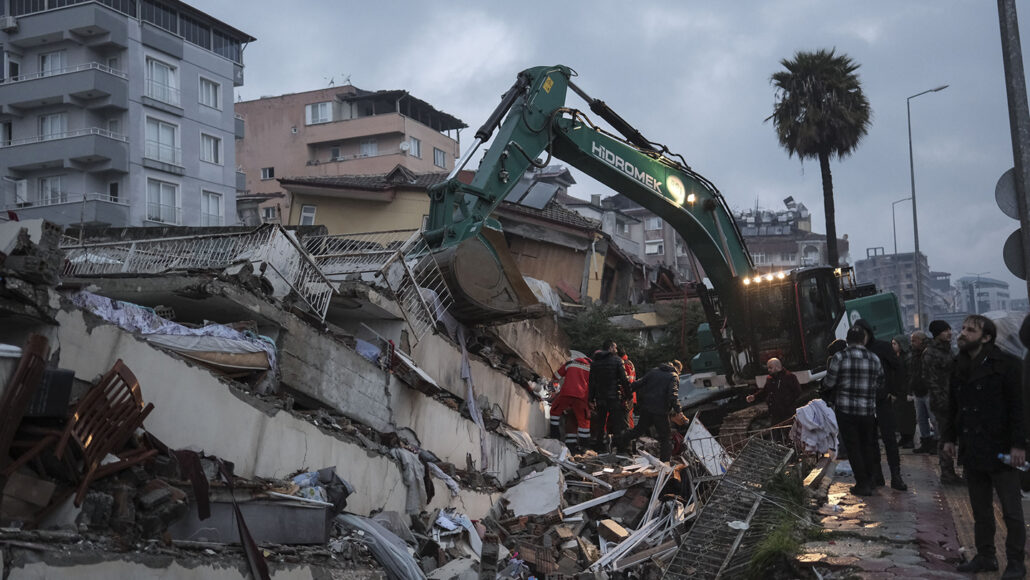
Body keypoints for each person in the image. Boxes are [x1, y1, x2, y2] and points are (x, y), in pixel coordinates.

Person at [943, 315, 1025, 578]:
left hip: (1002, 449)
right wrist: (949, 438)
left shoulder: (1008, 365)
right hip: (973, 448)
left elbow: (1019, 409)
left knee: (1011, 510)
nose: (962, 333)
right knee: (980, 509)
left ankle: (1015, 562)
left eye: (970, 330)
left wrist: (1018, 446)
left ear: (986, 337)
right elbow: (952, 405)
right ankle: (986, 556)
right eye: (963, 328)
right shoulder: (958, 365)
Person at [823, 326, 884, 496]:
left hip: (846, 410)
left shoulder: (840, 357)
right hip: (868, 411)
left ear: (848, 340)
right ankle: (872, 480)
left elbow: (829, 382)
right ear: (864, 340)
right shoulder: (874, 358)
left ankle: (862, 484)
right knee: (868, 445)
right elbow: (880, 382)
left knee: (853, 447)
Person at [852, 319, 906, 491]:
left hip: (883, 400)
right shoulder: (855, 351)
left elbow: (897, 368)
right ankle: (877, 476)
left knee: (889, 439)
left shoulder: (882, 347)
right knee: (870, 440)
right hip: (864, 403)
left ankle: (896, 476)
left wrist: (894, 391)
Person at [621, 360, 685, 461]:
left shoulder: (654, 371)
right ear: (678, 369)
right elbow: (673, 395)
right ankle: (665, 463)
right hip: (661, 411)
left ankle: (619, 443)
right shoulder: (673, 376)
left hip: (647, 408)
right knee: (665, 438)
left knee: (638, 431)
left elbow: (637, 384)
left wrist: (624, 396)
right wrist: (679, 411)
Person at [925, 319, 961, 485]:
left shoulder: (949, 350)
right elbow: (931, 381)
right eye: (945, 330)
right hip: (942, 402)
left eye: (949, 329)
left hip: (953, 399)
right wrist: (941, 401)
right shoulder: (931, 353)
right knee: (945, 437)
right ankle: (947, 473)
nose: (950, 333)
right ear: (937, 333)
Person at [588, 339, 631, 453]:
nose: (616, 350)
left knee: (600, 424)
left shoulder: (595, 362)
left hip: (600, 398)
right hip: (614, 398)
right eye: (615, 347)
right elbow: (624, 380)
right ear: (611, 348)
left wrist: (591, 399)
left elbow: (592, 382)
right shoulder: (617, 360)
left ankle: (600, 449)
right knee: (618, 424)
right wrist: (628, 395)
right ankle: (620, 450)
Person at [746, 358, 801, 438]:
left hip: (787, 412)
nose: (768, 370)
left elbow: (797, 392)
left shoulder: (790, 377)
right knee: (776, 435)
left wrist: (787, 402)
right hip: (775, 413)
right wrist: (754, 396)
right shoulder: (770, 378)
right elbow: (765, 391)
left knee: (790, 434)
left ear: (777, 367)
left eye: (770, 368)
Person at [549, 354, 592, 453]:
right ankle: (584, 447)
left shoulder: (570, 364)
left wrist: (555, 385)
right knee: (584, 421)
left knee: (555, 412)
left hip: (566, 393)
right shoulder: (590, 368)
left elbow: (556, 376)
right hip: (581, 396)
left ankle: (554, 437)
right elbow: (593, 385)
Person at [907, 331, 937, 454]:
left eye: (914, 340)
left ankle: (936, 443)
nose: (912, 343)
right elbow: (913, 372)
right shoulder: (914, 354)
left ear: (921, 340)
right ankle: (926, 441)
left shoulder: (929, 352)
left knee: (934, 419)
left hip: (928, 390)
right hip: (918, 391)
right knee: (921, 419)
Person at [892, 335, 916, 449]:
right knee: (899, 415)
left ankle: (909, 438)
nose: (893, 346)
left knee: (908, 416)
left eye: (895, 344)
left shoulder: (908, 357)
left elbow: (910, 376)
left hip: (906, 390)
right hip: (898, 391)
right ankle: (904, 437)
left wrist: (910, 392)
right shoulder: (896, 356)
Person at [620, 347, 637, 429]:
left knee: (627, 419)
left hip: (627, 395)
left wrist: (626, 396)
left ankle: (629, 439)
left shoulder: (624, 364)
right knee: (629, 418)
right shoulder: (628, 362)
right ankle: (630, 438)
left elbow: (627, 381)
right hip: (630, 394)